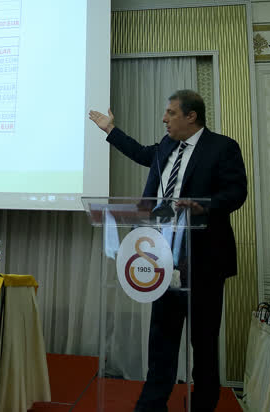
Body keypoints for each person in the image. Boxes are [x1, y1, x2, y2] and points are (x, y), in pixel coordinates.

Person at [89, 89, 247, 412]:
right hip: (162, 256)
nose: (164, 119)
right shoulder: (166, 146)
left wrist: (204, 207)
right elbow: (141, 153)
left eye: (171, 113)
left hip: (203, 259)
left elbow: (236, 192)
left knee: (203, 340)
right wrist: (110, 130)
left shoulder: (222, 147)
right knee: (161, 338)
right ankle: (152, 404)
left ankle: (203, 405)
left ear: (191, 116)